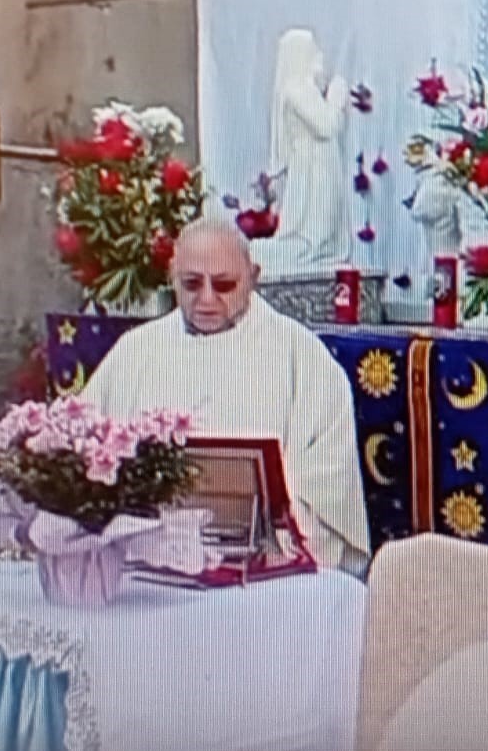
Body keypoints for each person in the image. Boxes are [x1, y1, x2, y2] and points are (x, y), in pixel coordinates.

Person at [84, 218, 372, 576]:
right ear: (172, 275)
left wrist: (268, 530)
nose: (206, 299)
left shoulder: (302, 358)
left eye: (224, 284)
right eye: (191, 284)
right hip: (145, 568)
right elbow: (86, 449)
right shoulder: (135, 352)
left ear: (253, 276)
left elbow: (328, 483)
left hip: (264, 579)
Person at [252, 28, 352, 273]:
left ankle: (322, 251)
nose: (319, 55)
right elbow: (326, 126)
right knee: (316, 224)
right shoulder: (297, 89)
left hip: (322, 160)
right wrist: (336, 98)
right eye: (313, 49)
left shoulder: (305, 88)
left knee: (326, 223)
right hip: (313, 164)